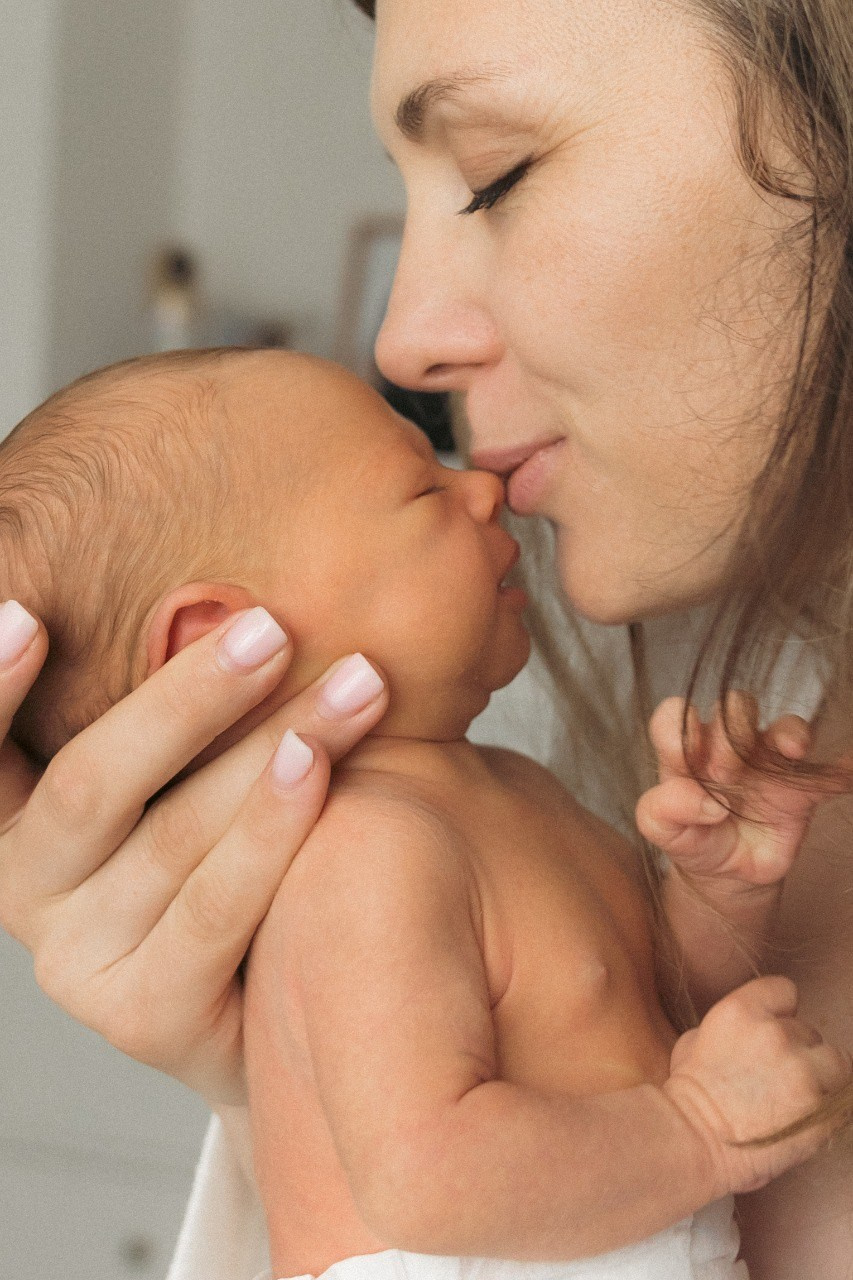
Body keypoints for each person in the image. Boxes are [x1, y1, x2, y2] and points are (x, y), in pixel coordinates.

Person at [0, 1, 851, 1276]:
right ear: (224, 642)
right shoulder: (391, 848)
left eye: (497, 173)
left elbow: (629, 1024)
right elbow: (442, 1168)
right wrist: (262, 1088)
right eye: (410, 489)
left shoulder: (497, 809)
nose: (402, 338)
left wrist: (704, 991)